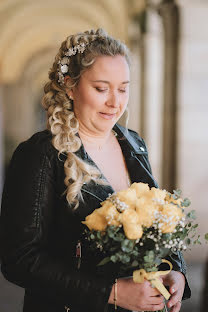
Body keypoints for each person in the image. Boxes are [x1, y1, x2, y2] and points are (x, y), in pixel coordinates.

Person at [0, 28, 190, 312]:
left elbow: (157, 223)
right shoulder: (40, 154)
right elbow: (19, 259)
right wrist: (110, 293)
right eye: (101, 89)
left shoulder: (134, 142)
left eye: (123, 88)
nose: (115, 102)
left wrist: (176, 270)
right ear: (70, 86)